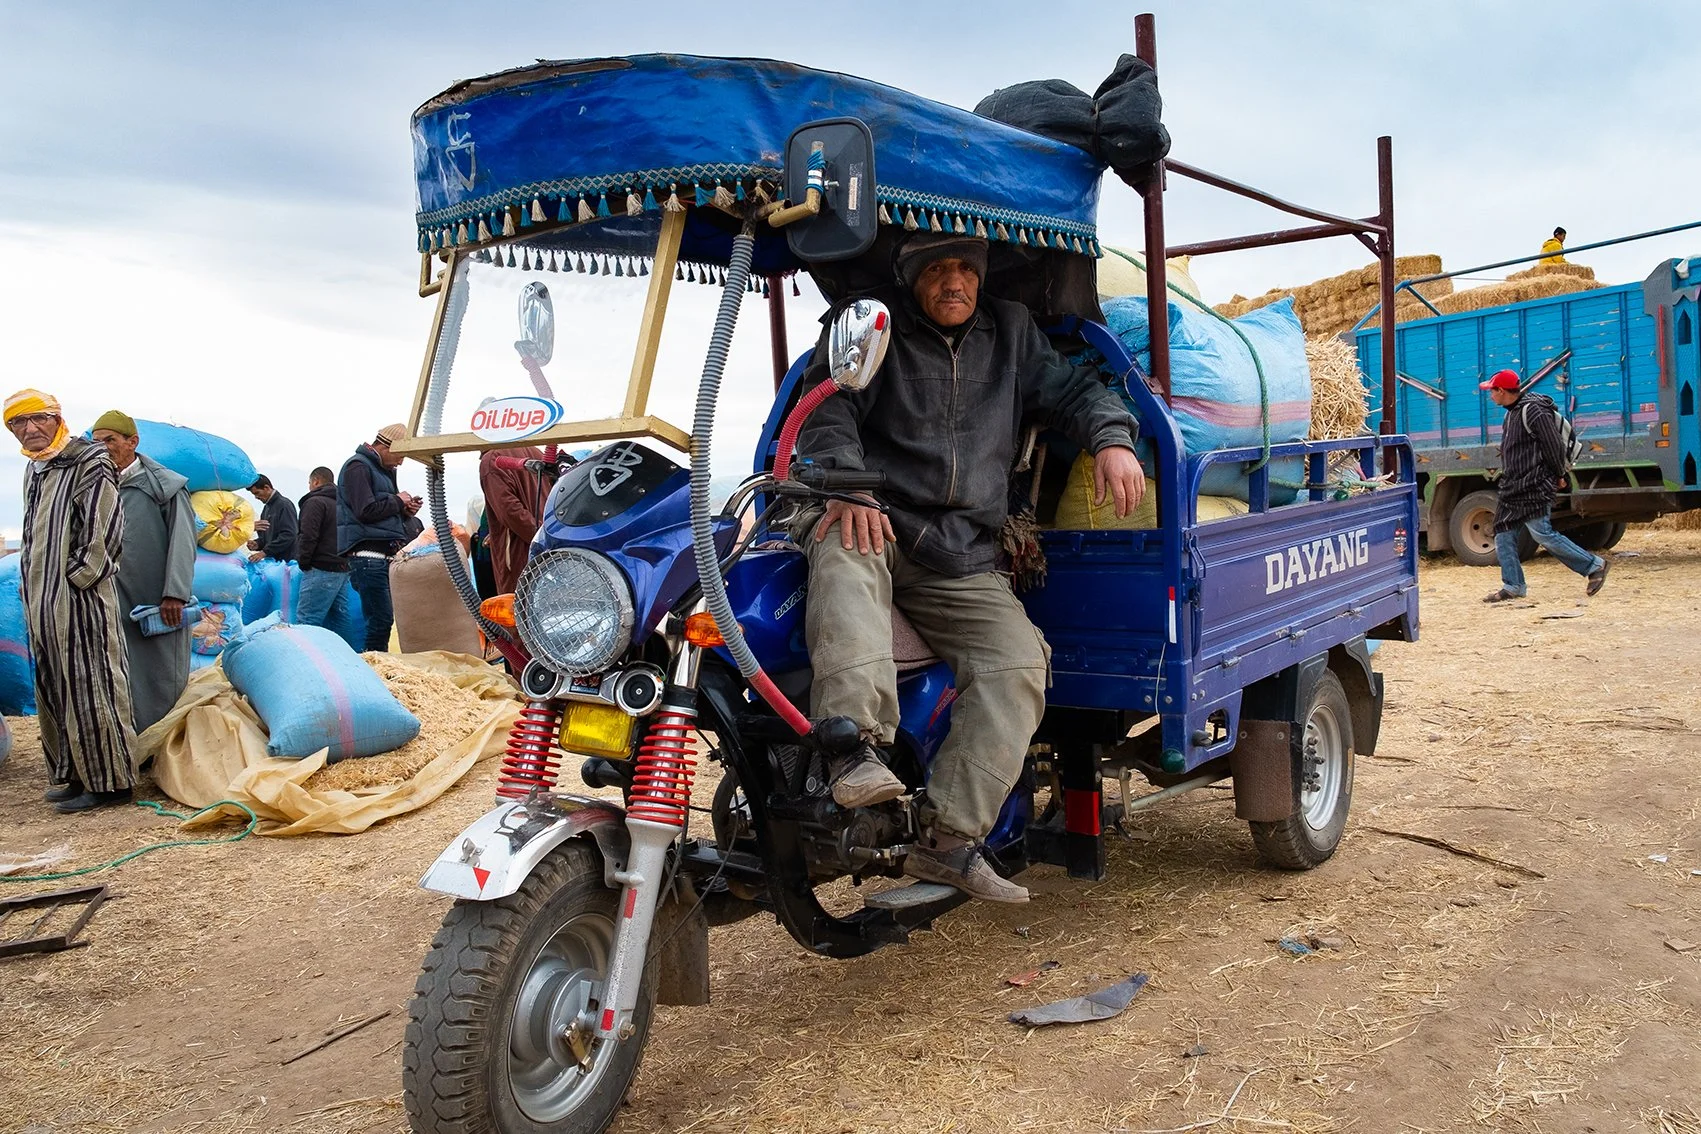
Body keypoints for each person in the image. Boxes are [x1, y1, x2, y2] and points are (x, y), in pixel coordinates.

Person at [794, 232, 1145, 903]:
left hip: (959, 549)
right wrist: (847, 484)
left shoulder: (1011, 335)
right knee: (846, 551)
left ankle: (948, 841)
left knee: (1018, 665)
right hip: (879, 516)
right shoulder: (876, 328)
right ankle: (851, 750)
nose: (953, 281)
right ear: (911, 278)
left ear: (982, 277)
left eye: (964, 268)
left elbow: (1076, 393)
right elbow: (826, 409)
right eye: (936, 269)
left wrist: (1110, 439)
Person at [5, 391, 137, 812]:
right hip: (42, 601)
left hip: (79, 599)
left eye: (38, 419)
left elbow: (105, 529)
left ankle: (111, 783)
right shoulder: (35, 469)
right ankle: (74, 774)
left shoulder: (88, 460)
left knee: (91, 683)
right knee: (53, 685)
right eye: (18, 424)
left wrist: (80, 579)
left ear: (57, 418)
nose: (30, 429)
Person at [90, 410, 196, 734]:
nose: (103, 448)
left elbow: (183, 541)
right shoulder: (95, 486)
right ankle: (126, 740)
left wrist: (174, 593)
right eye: (96, 443)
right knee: (118, 669)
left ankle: (160, 740)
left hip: (154, 598)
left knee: (159, 671)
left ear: (132, 442)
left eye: (110, 440)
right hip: (110, 596)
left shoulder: (164, 486)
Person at [1480, 369, 1608, 603]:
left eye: (1492, 391)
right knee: (1503, 533)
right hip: (1514, 487)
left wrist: (1559, 474)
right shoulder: (1511, 413)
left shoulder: (1534, 410)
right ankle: (1513, 585)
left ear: (1501, 391)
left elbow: (1553, 446)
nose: (1490, 396)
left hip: (1534, 484)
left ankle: (1594, 566)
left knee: (1543, 534)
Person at [338, 424, 421, 651]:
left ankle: (377, 668)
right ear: (385, 446)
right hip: (367, 557)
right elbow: (364, 510)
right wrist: (397, 500)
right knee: (380, 620)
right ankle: (375, 670)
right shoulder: (357, 466)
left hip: (380, 557)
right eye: (401, 455)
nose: (401, 462)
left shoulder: (383, 470)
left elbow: (379, 511)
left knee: (381, 620)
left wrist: (404, 510)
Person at [295, 466, 361, 650]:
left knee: (308, 618)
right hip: (342, 568)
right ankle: (348, 657)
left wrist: (304, 562)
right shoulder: (345, 504)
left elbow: (308, 536)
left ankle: (307, 661)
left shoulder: (315, 502)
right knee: (340, 619)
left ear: (316, 481)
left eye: (309, 483)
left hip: (321, 567)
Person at [478, 445, 549, 595]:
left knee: (519, 609)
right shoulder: (536, 452)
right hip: (548, 551)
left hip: (520, 556)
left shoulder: (492, 458)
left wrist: (539, 538)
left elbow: (510, 511)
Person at [246, 474, 298, 563]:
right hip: (273, 563)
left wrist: (265, 552)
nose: (256, 497)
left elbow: (289, 534)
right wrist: (258, 544)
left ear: (266, 487)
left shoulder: (284, 505)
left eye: (257, 493)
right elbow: (266, 538)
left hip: (287, 563)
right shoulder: (266, 509)